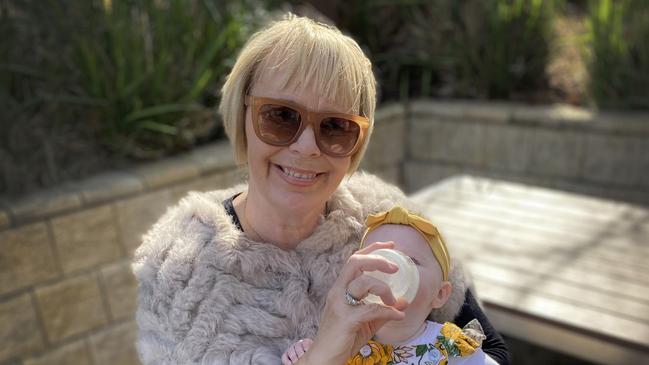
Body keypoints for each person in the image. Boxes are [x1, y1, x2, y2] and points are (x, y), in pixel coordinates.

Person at [132, 14, 510, 365]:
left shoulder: (389, 221)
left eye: (335, 126)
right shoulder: (178, 272)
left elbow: (490, 350)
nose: (306, 147)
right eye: (281, 116)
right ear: (241, 116)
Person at [282, 206, 498, 365]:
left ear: (440, 294)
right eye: (379, 259)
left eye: (411, 261)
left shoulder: (452, 347)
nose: (391, 269)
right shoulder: (342, 341)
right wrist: (308, 354)